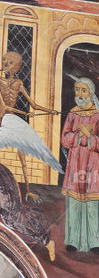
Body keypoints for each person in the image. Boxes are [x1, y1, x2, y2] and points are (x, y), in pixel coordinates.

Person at [60, 78, 99, 252]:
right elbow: (65, 139)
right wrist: (79, 137)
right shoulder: (72, 115)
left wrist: (90, 139)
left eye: (83, 90)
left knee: (92, 202)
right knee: (75, 202)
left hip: (94, 164)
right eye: (77, 90)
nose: (80, 94)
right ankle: (74, 240)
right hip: (75, 163)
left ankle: (95, 241)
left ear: (90, 93)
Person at [0, 50, 61, 201]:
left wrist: (51, 111)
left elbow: (33, 104)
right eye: (4, 61)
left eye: (10, 63)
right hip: (3, 119)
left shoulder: (18, 83)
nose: (6, 65)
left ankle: (27, 191)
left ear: (18, 68)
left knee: (22, 155)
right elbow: (5, 108)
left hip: (11, 120)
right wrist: (25, 114)